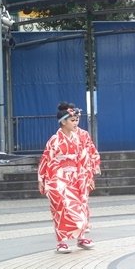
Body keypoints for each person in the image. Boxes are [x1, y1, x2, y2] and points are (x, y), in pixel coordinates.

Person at [38, 103, 101, 253]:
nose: (76, 123)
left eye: (77, 119)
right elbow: (47, 159)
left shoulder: (82, 135)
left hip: (78, 176)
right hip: (59, 176)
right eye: (73, 120)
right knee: (61, 207)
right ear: (63, 122)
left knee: (81, 205)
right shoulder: (55, 140)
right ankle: (61, 241)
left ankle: (81, 238)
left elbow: (88, 154)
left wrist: (90, 172)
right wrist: (43, 179)